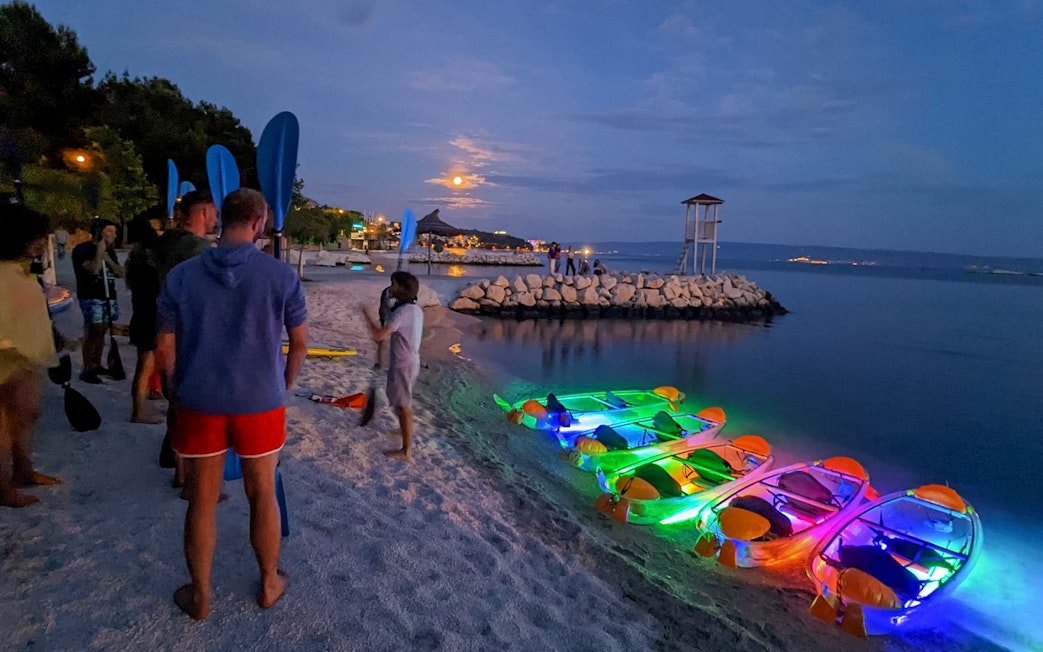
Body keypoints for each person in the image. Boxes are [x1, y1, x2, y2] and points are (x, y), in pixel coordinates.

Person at [156, 188, 307, 620]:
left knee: (202, 499)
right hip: (260, 402)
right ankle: (268, 582)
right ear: (259, 223)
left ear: (223, 218)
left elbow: (164, 348)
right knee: (262, 494)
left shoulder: (182, 276)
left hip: (199, 400)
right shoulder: (281, 277)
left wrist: (175, 389)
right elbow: (299, 344)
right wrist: (283, 385)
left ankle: (201, 596)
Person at [0, 203, 63, 507]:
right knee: (4, 426)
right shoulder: (4, 274)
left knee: (27, 415)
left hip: (26, 358)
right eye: (36, 237)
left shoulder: (24, 270)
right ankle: (3, 486)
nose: (42, 243)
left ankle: (23, 470)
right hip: (8, 358)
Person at [153, 191, 218, 481]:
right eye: (214, 212)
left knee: (175, 397)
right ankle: (185, 474)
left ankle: (173, 454)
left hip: (164, 324)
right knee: (192, 405)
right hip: (190, 334)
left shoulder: (166, 242)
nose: (217, 218)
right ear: (203, 212)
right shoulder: (197, 249)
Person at [362, 271, 422, 462]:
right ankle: (406, 427)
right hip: (407, 361)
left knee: (403, 405)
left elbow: (380, 335)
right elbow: (392, 320)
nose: (390, 288)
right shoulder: (413, 309)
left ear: (403, 289)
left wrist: (366, 315)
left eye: (394, 284)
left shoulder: (403, 312)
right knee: (396, 398)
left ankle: (406, 451)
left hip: (404, 364)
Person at [71, 218, 123, 384]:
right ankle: (88, 367)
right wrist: (99, 252)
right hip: (91, 295)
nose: (113, 235)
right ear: (98, 233)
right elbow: (93, 270)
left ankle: (97, 363)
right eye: (109, 231)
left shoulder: (111, 251)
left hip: (108, 295)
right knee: (93, 330)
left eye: (114, 232)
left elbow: (119, 272)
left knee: (102, 331)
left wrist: (107, 259)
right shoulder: (82, 249)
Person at [125, 211, 164, 423]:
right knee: (146, 362)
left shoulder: (134, 257)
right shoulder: (150, 258)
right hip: (150, 313)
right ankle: (138, 412)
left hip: (139, 311)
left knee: (145, 361)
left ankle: (139, 408)